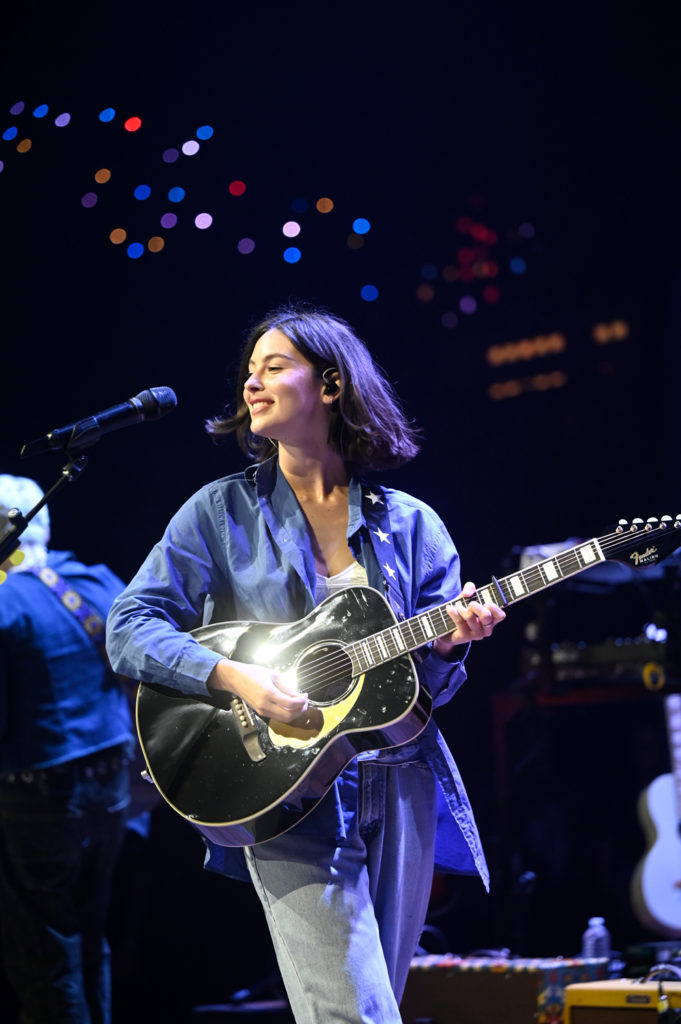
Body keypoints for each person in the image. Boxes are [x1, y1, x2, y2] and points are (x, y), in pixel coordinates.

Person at [105, 304, 506, 1024]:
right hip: (284, 795)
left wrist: (452, 644)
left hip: (402, 785)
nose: (250, 386)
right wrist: (236, 678)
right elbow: (129, 625)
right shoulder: (218, 512)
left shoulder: (411, 524)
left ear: (329, 384)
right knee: (356, 1015)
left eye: (273, 367)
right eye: (248, 373)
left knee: (370, 1005)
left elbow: (429, 691)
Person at [0, 474, 134, 1024]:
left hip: (39, 798)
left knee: (47, 958)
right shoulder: (97, 580)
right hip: (113, 788)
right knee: (91, 935)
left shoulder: (7, 605)